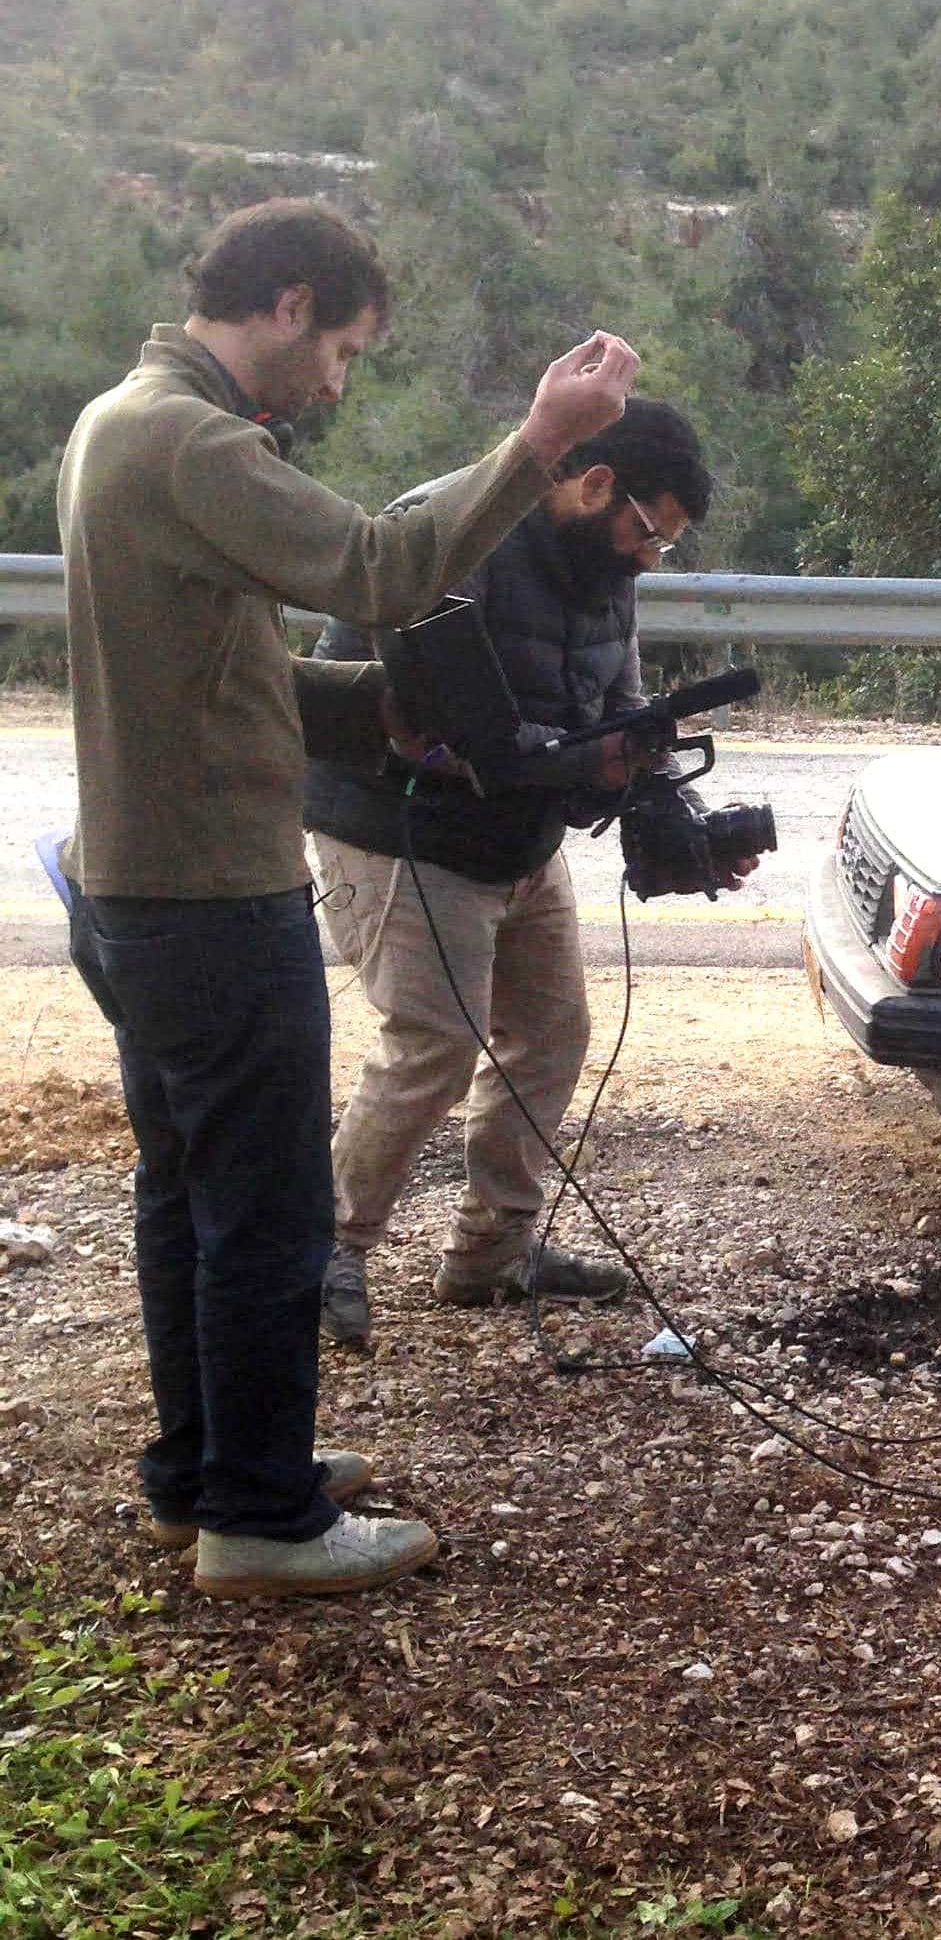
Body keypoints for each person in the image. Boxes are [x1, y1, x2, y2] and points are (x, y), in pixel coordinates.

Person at [59, 196, 639, 1598]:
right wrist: (541, 442)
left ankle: (202, 1472)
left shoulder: (118, 419)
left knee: (188, 1191)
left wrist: (364, 706)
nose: (338, 382)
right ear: (292, 305)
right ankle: (261, 1516)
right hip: (211, 895)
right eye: (347, 351)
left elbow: (215, 663)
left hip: (142, 883)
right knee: (261, 1213)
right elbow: (383, 566)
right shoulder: (188, 440)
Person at [303, 400, 742, 1347]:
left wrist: (682, 823)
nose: (649, 557)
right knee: (434, 1045)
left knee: (551, 1033)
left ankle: (492, 1252)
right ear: (592, 486)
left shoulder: (602, 564)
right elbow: (438, 730)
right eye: (648, 531)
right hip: (402, 831)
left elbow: (618, 707)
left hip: (520, 836)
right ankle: (327, 1249)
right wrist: (587, 763)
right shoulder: (452, 536)